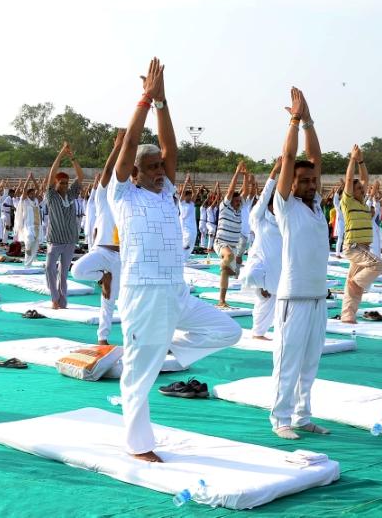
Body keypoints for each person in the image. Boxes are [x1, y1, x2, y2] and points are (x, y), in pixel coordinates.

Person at [109, 58, 240, 462]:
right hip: (142, 295)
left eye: (161, 167)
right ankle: (138, 445)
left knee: (228, 332)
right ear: (135, 172)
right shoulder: (123, 195)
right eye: (151, 168)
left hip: (175, 292)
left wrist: (164, 104)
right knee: (138, 375)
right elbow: (130, 145)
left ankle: (166, 344)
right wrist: (145, 100)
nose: (160, 171)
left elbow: (171, 148)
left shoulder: (167, 192)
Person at [269, 87, 330, 440]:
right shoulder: (287, 206)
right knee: (287, 363)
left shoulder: (317, 206)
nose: (309, 184)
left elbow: (314, 158)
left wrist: (309, 121)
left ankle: (304, 415)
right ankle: (280, 418)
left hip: (318, 296)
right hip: (292, 297)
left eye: (312, 181)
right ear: (290, 184)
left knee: (310, 364)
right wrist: (293, 121)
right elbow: (290, 156)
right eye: (302, 180)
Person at [72, 129, 125, 345]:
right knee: (76, 270)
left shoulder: (126, 201)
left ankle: (102, 338)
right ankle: (101, 277)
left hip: (122, 256)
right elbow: (108, 171)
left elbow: (128, 173)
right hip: (102, 251)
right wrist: (118, 148)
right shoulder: (103, 197)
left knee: (111, 300)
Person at [339, 144, 382, 323]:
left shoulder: (362, 203)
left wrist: (361, 160)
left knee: (351, 287)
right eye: (358, 188)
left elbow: (364, 178)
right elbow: (350, 177)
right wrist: (352, 159)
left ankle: (348, 315)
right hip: (354, 247)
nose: (362, 190)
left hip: (362, 247)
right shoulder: (348, 201)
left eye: (362, 189)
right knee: (378, 265)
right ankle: (358, 283)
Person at [243, 158, 282, 340]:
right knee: (263, 296)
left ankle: (260, 332)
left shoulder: (283, 221)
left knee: (271, 301)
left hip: (277, 268)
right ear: (267, 206)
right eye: (273, 205)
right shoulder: (258, 218)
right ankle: (258, 332)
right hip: (260, 266)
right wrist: (274, 173)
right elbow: (266, 195)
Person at [45, 142, 83, 309]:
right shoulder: (52, 196)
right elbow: (52, 172)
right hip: (55, 240)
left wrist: (72, 157)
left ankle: (63, 300)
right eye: (62, 183)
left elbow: (80, 177)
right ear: (56, 183)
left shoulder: (71, 195)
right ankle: (54, 298)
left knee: (63, 273)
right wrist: (61, 154)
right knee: (49, 268)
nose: (65, 186)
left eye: (66, 183)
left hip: (70, 240)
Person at [215, 161, 246, 308]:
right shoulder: (225, 206)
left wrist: (246, 177)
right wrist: (237, 172)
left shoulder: (239, 210)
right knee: (228, 258)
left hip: (233, 246)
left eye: (240, 200)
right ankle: (223, 265)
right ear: (230, 200)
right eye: (237, 200)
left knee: (228, 274)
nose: (240, 202)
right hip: (221, 242)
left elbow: (244, 191)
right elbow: (232, 189)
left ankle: (221, 300)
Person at [14, 174, 42, 266]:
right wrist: (29, 179)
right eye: (31, 193)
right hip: (28, 226)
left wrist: (34, 179)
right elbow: (25, 189)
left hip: (37, 227)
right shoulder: (25, 201)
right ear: (28, 194)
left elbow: (38, 189)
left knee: (35, 246)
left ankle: (29, 263)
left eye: (34, 193)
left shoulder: (36, 201)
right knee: (28, 243)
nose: (33, 195)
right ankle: (27, 261)